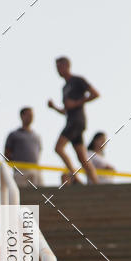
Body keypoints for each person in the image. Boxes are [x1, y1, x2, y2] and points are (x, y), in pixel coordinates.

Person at [47, 56, 99, 184]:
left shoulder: (78, 80)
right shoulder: (64, 87)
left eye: (59, 67)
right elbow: (66, 111)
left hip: (76, 121)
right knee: (82, 158)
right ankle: (95, 183)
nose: (58, 70)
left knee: (58, 148)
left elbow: (95, 94)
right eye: (56, 68)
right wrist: (54, 108)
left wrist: (76, 103)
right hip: (71, 120)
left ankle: (75, 177)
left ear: (66, 66)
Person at [4, 107, 42, 188]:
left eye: (32, 115)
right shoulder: (14, 134)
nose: (31, 117)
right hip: (20, 171)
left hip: (35, 170)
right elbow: (6, 154)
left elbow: (39, 152)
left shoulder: (36, 136)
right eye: (28, 115)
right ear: (22, 116)